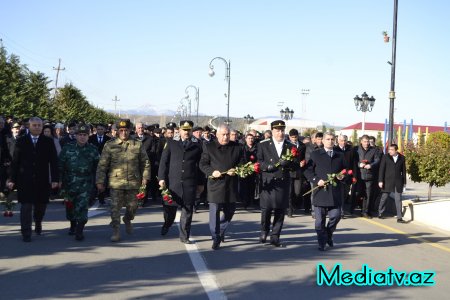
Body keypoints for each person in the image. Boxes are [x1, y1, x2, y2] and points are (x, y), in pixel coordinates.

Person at [96, 119, 150, 242]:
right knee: (115, 208)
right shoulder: (110, 145)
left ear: (130, 131)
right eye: (121, 130)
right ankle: (116, 231)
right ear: (116, 131)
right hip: (116, 182)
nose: (124, 133)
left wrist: (145, 177)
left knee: (133, 207)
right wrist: (100, 181)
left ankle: (127, 219)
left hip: (133, 182)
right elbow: (102, 165)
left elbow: (145, 162)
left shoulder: (137, 144)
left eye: (126, 130)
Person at [7, 117, 59, 242]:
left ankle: (38, 221)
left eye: (39, 125)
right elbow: (15, 162)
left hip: (42, 179)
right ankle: (26, 232)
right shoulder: (21, 141)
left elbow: (53, 162)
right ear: (29, 126)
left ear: (42, 127)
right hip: (25, 179)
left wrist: (55, 179)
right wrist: (11, 179)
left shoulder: (48, 141)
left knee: (41, 205)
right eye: (34, 125)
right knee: (26, 206)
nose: (37, 127)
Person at [199, 124, 245, 250]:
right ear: (217, 135)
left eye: (227, 134)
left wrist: (235, 169)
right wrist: (211, 172)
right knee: (214, 212)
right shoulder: (209, 147)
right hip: (215, 184)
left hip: (231, 184)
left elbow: (242, 163)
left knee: (230, 212)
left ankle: (221, 229)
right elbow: (203, 164)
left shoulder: (237, 147)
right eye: (223, 134)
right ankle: (215, 237)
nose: (225, 137)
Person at [158, 120, 203, 243]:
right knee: (169, 211)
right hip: (173, 184)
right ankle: (167, 224)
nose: (186, 132)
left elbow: (200, 166)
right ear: (180, 130)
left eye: (188, 130)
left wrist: (200, 184)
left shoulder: (197, 146)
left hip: (189, 184)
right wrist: (161, 178)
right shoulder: (171, 143)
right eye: (184, 130)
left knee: (187, 211)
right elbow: (163, 162)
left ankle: (184, 236)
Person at [257, 120, 299, 247]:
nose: (280, 133)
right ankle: (264, 230)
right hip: (269, 182)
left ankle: (275, 236)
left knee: (280, 210)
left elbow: (296, 165)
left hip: (282, 181)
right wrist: (268, 167)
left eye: (282, 130)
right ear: (272, 131)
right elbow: (259, 161)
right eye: (277, 130)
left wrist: (289, 164)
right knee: (266, 209)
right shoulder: (263, 144)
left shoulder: (290, 146)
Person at [304, 132, 347, 251]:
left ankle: (328, 234)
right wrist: (316, 180)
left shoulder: (340, 155)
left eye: (333, 139)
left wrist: (342, 177)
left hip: (334, 192)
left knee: (336, 216)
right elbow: (307, 171)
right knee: (319, 222)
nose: (330, 141)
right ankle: (321, 242)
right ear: (322, 141)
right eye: (328, 139)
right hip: (320, 192)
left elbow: (346, 171)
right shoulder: (316, 154)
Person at [59, 124, 100, 240]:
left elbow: (98, 168)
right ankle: (72, 224)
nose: (82, 137)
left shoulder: (93, 150)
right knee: (70, 207)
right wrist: (59, 181)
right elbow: (60, 166)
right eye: (80, 135)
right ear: (75, 136)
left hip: (85, 183)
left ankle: (79, 230)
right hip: (69, 183)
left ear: (88, 136)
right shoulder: (67, 148)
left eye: (85, 135)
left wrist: (99, 182)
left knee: (82, 207)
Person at [378, 144, 407, 223]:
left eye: (391, 150)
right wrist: (380, 181)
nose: (389, 151)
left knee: (398, 199)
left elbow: (403, 171)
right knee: (384, 197)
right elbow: (381, 169)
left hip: (398, 182)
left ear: (396, 150)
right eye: (389, 149)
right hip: (387, 181)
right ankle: (380, 212)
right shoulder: (385, 157)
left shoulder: (402, 158)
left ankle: (399, 217)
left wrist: (404, 183)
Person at [353, 135, 380, 218]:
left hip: (369, 175)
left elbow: (377, 160)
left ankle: (365, 211)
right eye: (365, 141)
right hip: (359, 175)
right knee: (357, 193)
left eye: (368, 141)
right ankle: (353, 207)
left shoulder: (374, 150)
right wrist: (359, 164)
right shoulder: (356, 149)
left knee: (368, 195)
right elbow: (353, 160)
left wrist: (371, 165)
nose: (366, 143)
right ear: (361, 141)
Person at [333, 134, 355, 217]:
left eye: (345, 140)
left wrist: (353, 175)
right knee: (339, 193)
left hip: (348, 175)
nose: (343, 142)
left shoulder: (350, 150)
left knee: (345, 193)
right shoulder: (335, 149)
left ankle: (341, 208)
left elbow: (353, 163)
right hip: (337, 175)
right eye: (341, 140)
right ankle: (340, 210)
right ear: (338, 141)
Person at [287, 128, 306, 218]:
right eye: (292, 137)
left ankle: (294, 205)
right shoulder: (286, 145)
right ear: (289, 137)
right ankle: (289, 210)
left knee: (297, 192)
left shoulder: (302, 145)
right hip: (289, 171)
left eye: (296, 137)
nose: (294, 139)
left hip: (298, 172)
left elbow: (305, 157)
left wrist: (303, 161)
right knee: (289, 192)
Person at [240, 133, 258, 209]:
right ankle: (245, 202)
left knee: (252, 186)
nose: (250, 140)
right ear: (246, 139)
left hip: (254, 169)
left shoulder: (257, 147)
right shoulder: (242, 147)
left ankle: (252, 200)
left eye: (252, 138)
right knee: (244, 186)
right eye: (249, 138)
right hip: (245, 169)